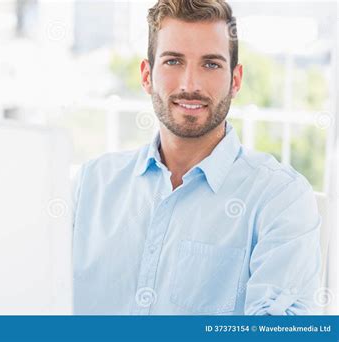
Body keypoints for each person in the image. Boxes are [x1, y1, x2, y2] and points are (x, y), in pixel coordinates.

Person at [71, 0, 322, 315]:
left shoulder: (280, 198)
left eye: (211, 64)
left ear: (236, 80)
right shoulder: (91, 184)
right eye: (173, 61)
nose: (190, 85)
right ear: (147, 76)